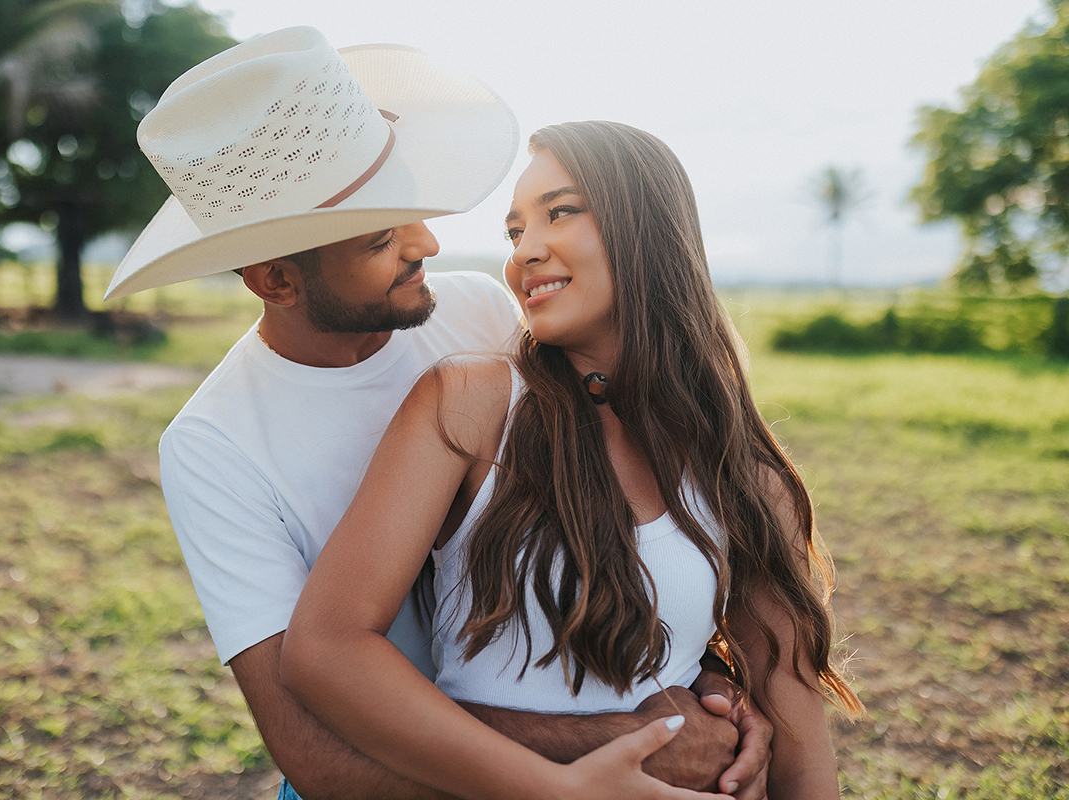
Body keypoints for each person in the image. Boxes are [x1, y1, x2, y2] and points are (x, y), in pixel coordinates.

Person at [106, 28, 772, 800]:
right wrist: (608, 762)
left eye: (411, 206)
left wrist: (715, 680)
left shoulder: (477, 315)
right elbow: (313, 750)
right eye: (383, 236)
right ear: (276, 280)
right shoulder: (214, 444)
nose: (428, 241)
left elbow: (629, 512)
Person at [280, 121, 864, 799]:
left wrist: (719, 698)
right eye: (514, 231)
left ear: (647, 228)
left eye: (559, 212)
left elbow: (800, 745)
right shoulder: (472, 405)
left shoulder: (744, 474)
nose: (525, 252)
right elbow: (325, 649)